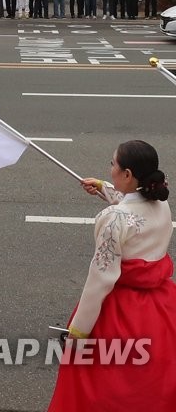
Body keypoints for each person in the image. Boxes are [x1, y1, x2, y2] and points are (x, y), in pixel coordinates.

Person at [48, 140, 176, 410]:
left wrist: (78, 334)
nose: (110, 170)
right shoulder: (162, 203)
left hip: (120, 315)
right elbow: (134, 207)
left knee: (100, 389)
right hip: (162, 309)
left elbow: (99, 281)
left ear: (127, 174)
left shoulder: (113, 219)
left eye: (112, 164)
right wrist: (103, 189)